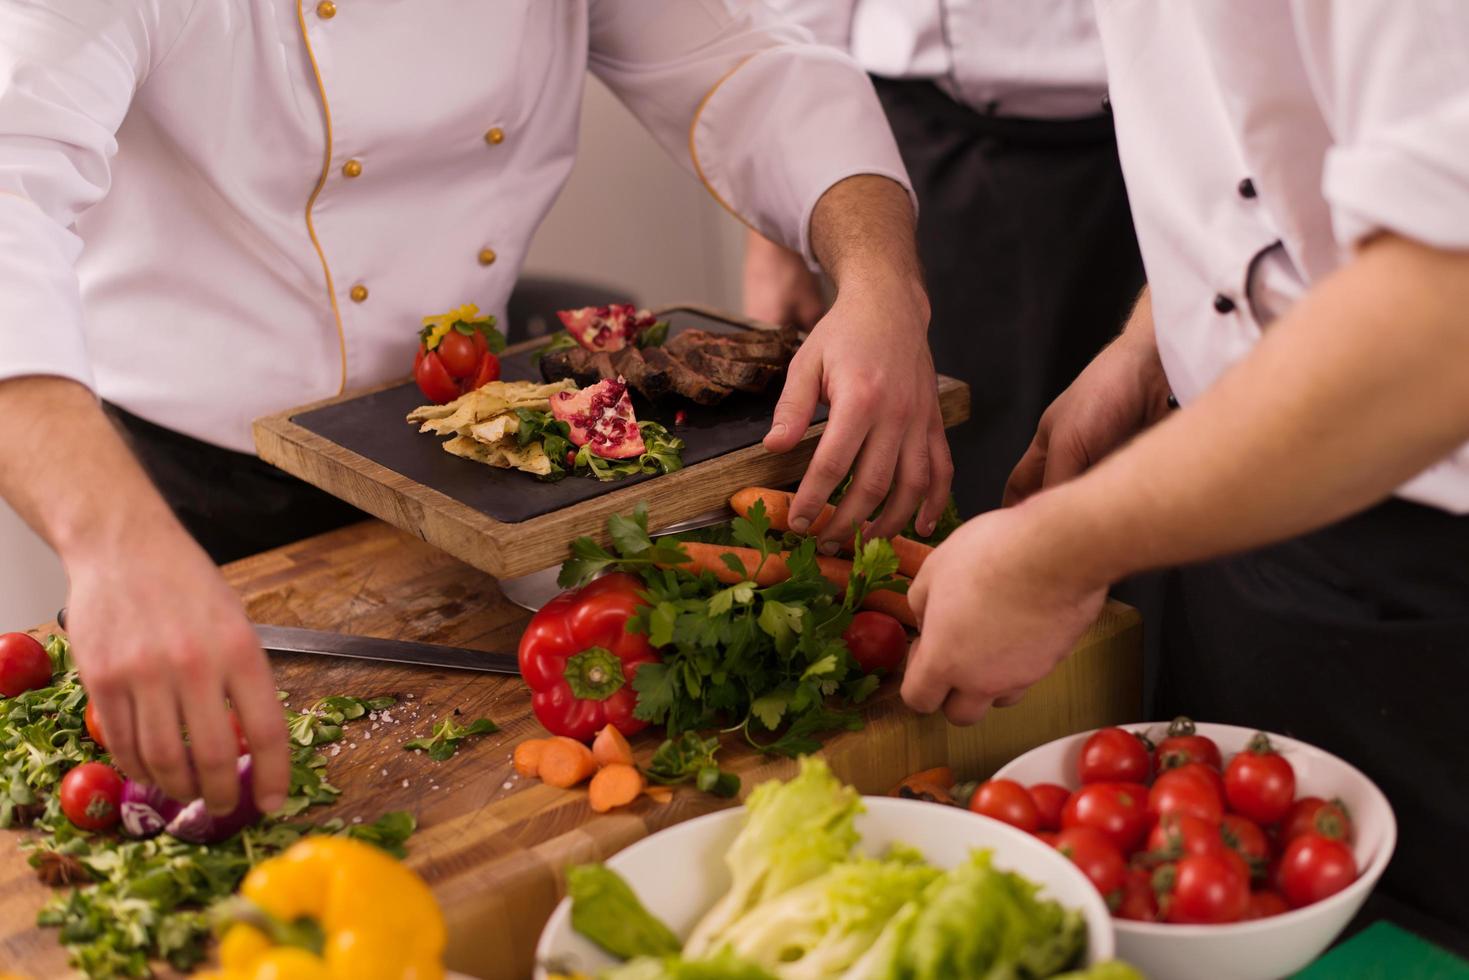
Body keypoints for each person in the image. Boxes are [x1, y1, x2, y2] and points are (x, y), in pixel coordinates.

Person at [0, 3, 951, 819]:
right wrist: (113, 542)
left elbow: (749, 62)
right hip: (190, 479)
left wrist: (876, 278)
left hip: (465, 450)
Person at [902, 3, 1469, 936]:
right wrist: (1159, 339)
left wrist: (1054, 553)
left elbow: (1443, 306)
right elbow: (1263, 142)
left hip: (1427, 568)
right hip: (1263, 526)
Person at [744, 0, 1145, 518]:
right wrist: (777, 243)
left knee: (1139, 460)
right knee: (958, 470)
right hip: (921, 153)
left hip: (1151, 148)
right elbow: (767, 56)